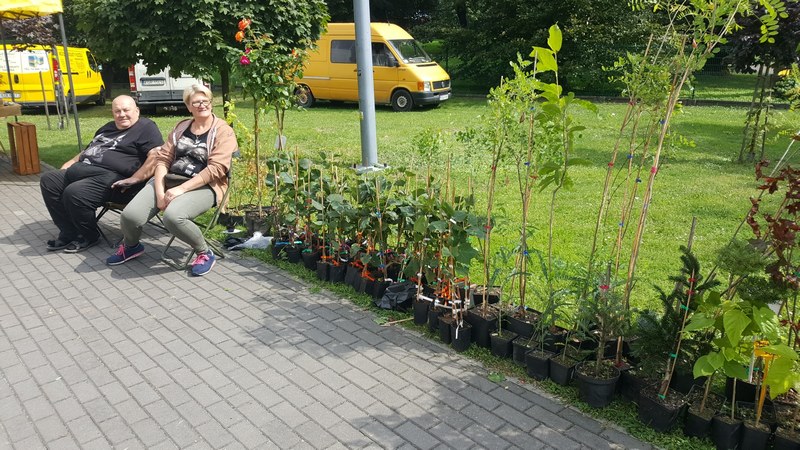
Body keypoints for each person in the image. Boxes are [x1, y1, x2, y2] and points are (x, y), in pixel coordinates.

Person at [106, 84, 237, 276]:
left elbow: (216, 169)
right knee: (130, 216)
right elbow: (163, 159)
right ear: (188, 106)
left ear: (211, 103)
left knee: (173, 217)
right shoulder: (181, 127)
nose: (202, 105)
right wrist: (160, 192)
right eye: (196, 102)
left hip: (204, 185)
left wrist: (181, 190)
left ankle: (204, 252)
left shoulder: (223, 131)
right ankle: (131, 246)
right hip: (170, 180)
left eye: (205, 101)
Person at [40, 95, 164, 253]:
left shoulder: (146, 127)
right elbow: (89, 150)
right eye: (117, 111)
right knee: (49, 180)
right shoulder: (107, 127)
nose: (122, 114)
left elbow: (155, 156)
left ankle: (88, 235)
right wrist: (70, 162)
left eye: (126, 110)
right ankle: (69, 232)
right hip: (85, 170)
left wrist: (136, 178)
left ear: (137, 111)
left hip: (116, 181)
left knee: (75, 192)